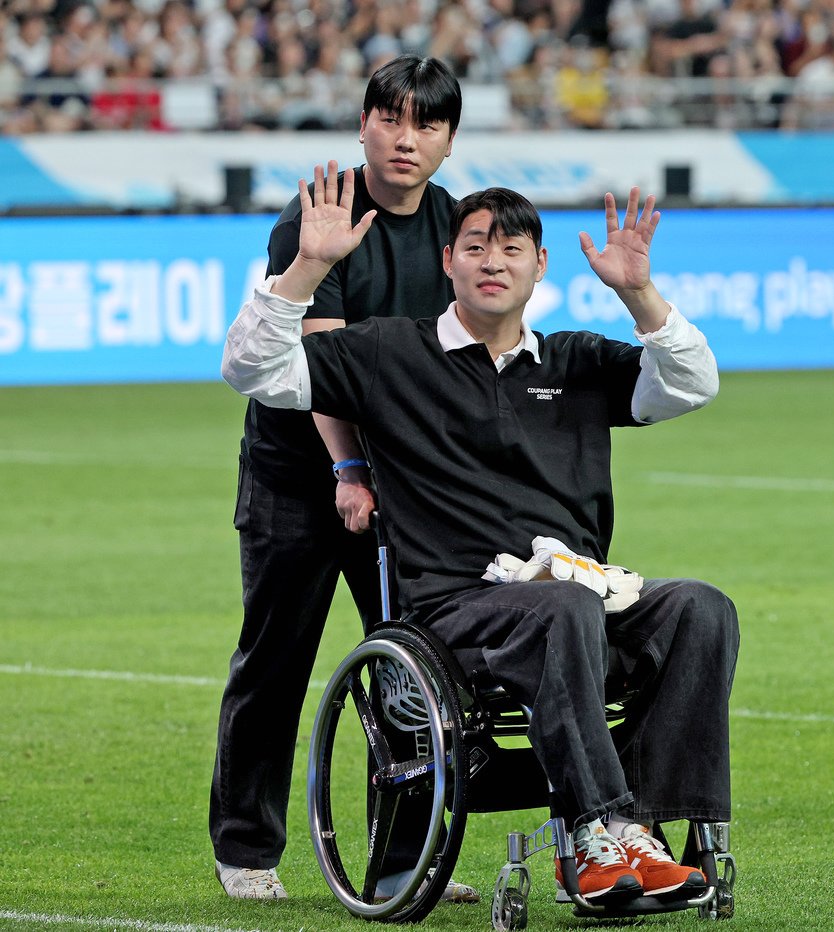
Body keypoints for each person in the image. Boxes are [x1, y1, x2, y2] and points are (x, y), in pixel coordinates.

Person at [222, 172, 739, 903]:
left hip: (573, 594)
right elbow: (253, 369)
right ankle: (593, 833)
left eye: (512, 248)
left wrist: (639, 294)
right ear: (448, 262)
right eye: (475, 247)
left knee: (700, 607)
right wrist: (306, 269)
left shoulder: (575, 361)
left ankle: (639, 833)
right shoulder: (389, 354)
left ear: (541, 265)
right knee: (564, 607)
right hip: (453, 610)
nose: (493, 261)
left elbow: (692, 385)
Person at [209, 54, 478, 902]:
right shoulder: (319, 214)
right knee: (276, 660)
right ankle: (246, 850)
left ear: (448, 140)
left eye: (426, 124)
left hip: (401, 481)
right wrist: (351, 468)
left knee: (411, 670)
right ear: (363, 125)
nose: (406, 138)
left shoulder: (455, 225)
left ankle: (403, 861)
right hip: (298, 473)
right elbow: (323, 365)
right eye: (390, 119)